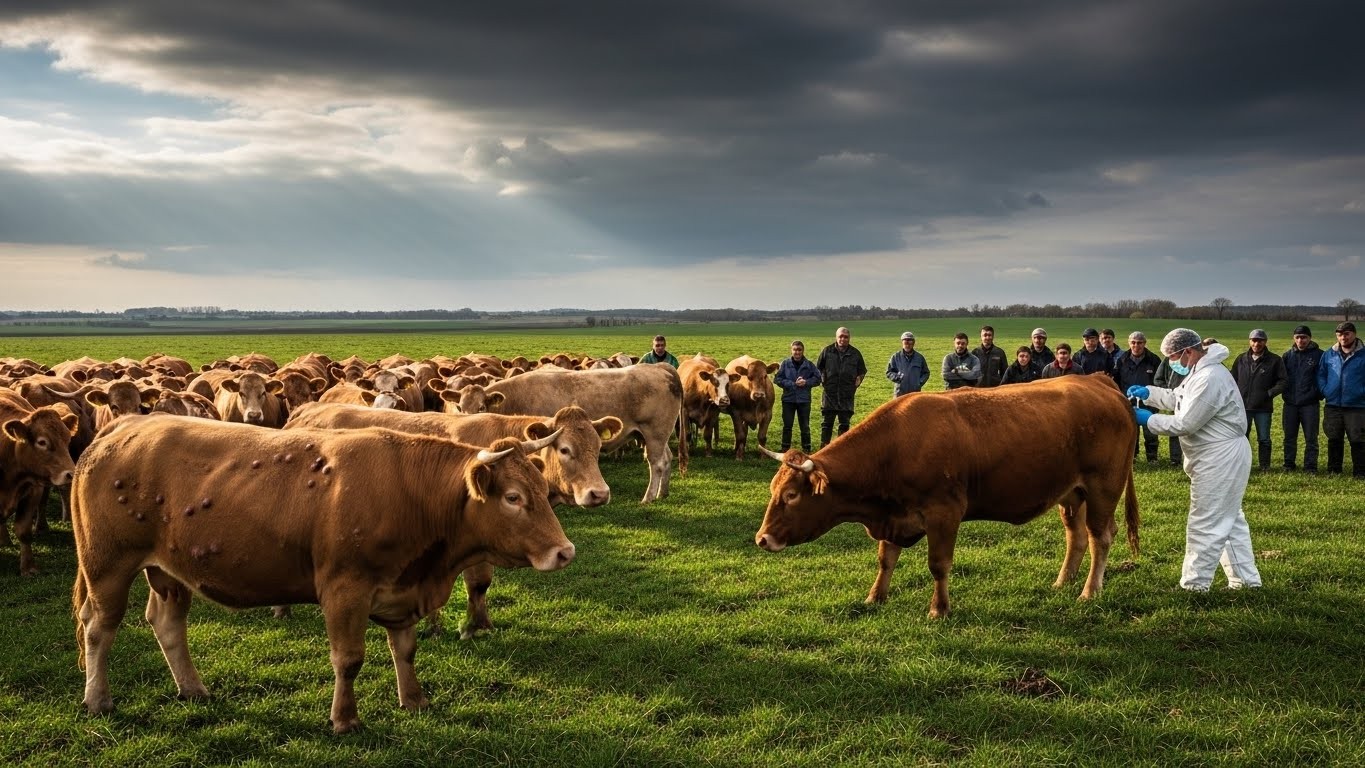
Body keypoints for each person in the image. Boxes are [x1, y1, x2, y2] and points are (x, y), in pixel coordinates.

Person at [1127, 329, 1262, 591]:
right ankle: (1245, 581)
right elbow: (1179, 397)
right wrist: (1149, 393)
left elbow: (1186, 422)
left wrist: (1148, 420)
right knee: (1230, 520)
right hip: (1216, 454)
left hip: (1220, 456)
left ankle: (1194, 586)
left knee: (1206, 521)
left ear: (1188, 351)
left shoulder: (1210, 377)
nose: (1171, 363)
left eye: (1173, 357)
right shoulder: (1199, 371)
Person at [1232, 329, 1287, 470]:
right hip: (1243, 407)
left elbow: (1283, 381)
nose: (1257, 343)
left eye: (1260, 340)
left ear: (1265, 342)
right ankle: (1243, 465)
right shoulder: (1241, 359)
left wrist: (1269, 394)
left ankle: (1265, 466)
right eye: (1254, 340)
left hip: (1263, 408)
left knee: (1264, 439)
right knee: (1242, 438)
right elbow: (1232, 379)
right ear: (1249, 341)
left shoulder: (1275, 360)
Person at [1317, 321, 1365, 477]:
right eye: (1339, 334)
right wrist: (1325, 390)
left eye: (1346, 334)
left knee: (1358, 440)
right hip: (1333, 404)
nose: (1343, 337)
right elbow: (1321, 374)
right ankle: (1334, 470)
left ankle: (1360, 472)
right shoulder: (1329, 354)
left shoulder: (1363, 354)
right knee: (1334, 438)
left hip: (1357, 405)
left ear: (1354, 334)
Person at [1281, 325, 1324, 472]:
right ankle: (1288, 464)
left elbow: (1323, 377)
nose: (1301, 340)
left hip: (1310, 404)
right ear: (1294, 338)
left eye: (1304, 337)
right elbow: (1282, 378)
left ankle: (1310, 466)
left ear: (1309, 338)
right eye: (1298, 337)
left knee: (1311, 438)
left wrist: (1317, 394)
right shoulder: (1287, 356)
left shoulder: (1319, 355)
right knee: (1289, 437)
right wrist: (1286, 395)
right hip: (1290, 404)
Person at [1114, 331, 1162, 463]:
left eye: (1139, 343)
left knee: (1150, 431)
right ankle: (1132, 457)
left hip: (1149, 402)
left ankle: (1152, 458)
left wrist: (1154, 397)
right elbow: (1116, 380)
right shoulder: (1122, 359)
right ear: (1129, 343)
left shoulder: (1154, 360)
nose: (1136, 345)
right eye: (1133, 342)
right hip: (1128, 402)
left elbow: (1159, 381)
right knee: (1131, 432)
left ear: (1144, 343)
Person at [815, 327, 867, 447]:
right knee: (827, 423)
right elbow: (818, 368)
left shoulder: (855, 353)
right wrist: (822, 378)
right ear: (836, 337)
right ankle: (824, 448)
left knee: (844, 424)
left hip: (847, 394)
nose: (843, 339)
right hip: (829, 393)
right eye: (840, 336)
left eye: (845, 337)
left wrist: (859, 380)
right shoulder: (827, 351)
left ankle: (841, 449)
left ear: (849, 338)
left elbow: (862, 370)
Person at [774, 340, 822, 453]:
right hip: (788, 400)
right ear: (791, 350)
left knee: (805, 426)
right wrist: (791, 384)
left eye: (799, 350)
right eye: (795, 350)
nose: (797, 352)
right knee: (787, 425)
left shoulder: (809, 365)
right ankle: (785, 448)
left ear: (803, 351)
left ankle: (807, 449)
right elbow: (777, 379)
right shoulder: (785, 364)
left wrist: (806, 382)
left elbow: (818, 379)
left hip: (804, 400)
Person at [1153, 355, 1187, 466]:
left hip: (1193, 399)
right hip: (1175, 401)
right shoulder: (1168, 360)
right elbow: (1158, 379)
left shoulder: (1198, 361)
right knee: (1175, 428)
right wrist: (1170, 392)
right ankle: (1175, 459)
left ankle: (1192, 459)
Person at [885, 331, 929, 397]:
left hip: (915, 393)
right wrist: (896, 377)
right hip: (899, 392)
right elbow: (889, 372)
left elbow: (926, 373)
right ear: (902, 343)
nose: (907, 345)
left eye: (910, 343)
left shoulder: (919, 358)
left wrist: (919, 382)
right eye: (905, 343)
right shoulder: (896, 357)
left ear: (913, 343)